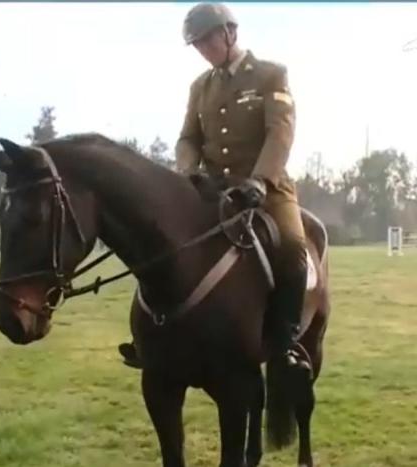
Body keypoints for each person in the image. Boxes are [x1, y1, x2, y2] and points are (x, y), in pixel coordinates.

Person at [118, 2, 311, 374]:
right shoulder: (200, 86)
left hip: (266, 188)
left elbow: (280, 133)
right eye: (197, 45)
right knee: (164, 241)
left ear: (230, 33)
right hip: (213, 189)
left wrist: (260, 180)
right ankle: (153, 338)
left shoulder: (271, 74)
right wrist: (187, 171)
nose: (203, 50)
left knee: (292, 247)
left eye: (208, 41)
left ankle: (284, 344)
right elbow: (188, 138)